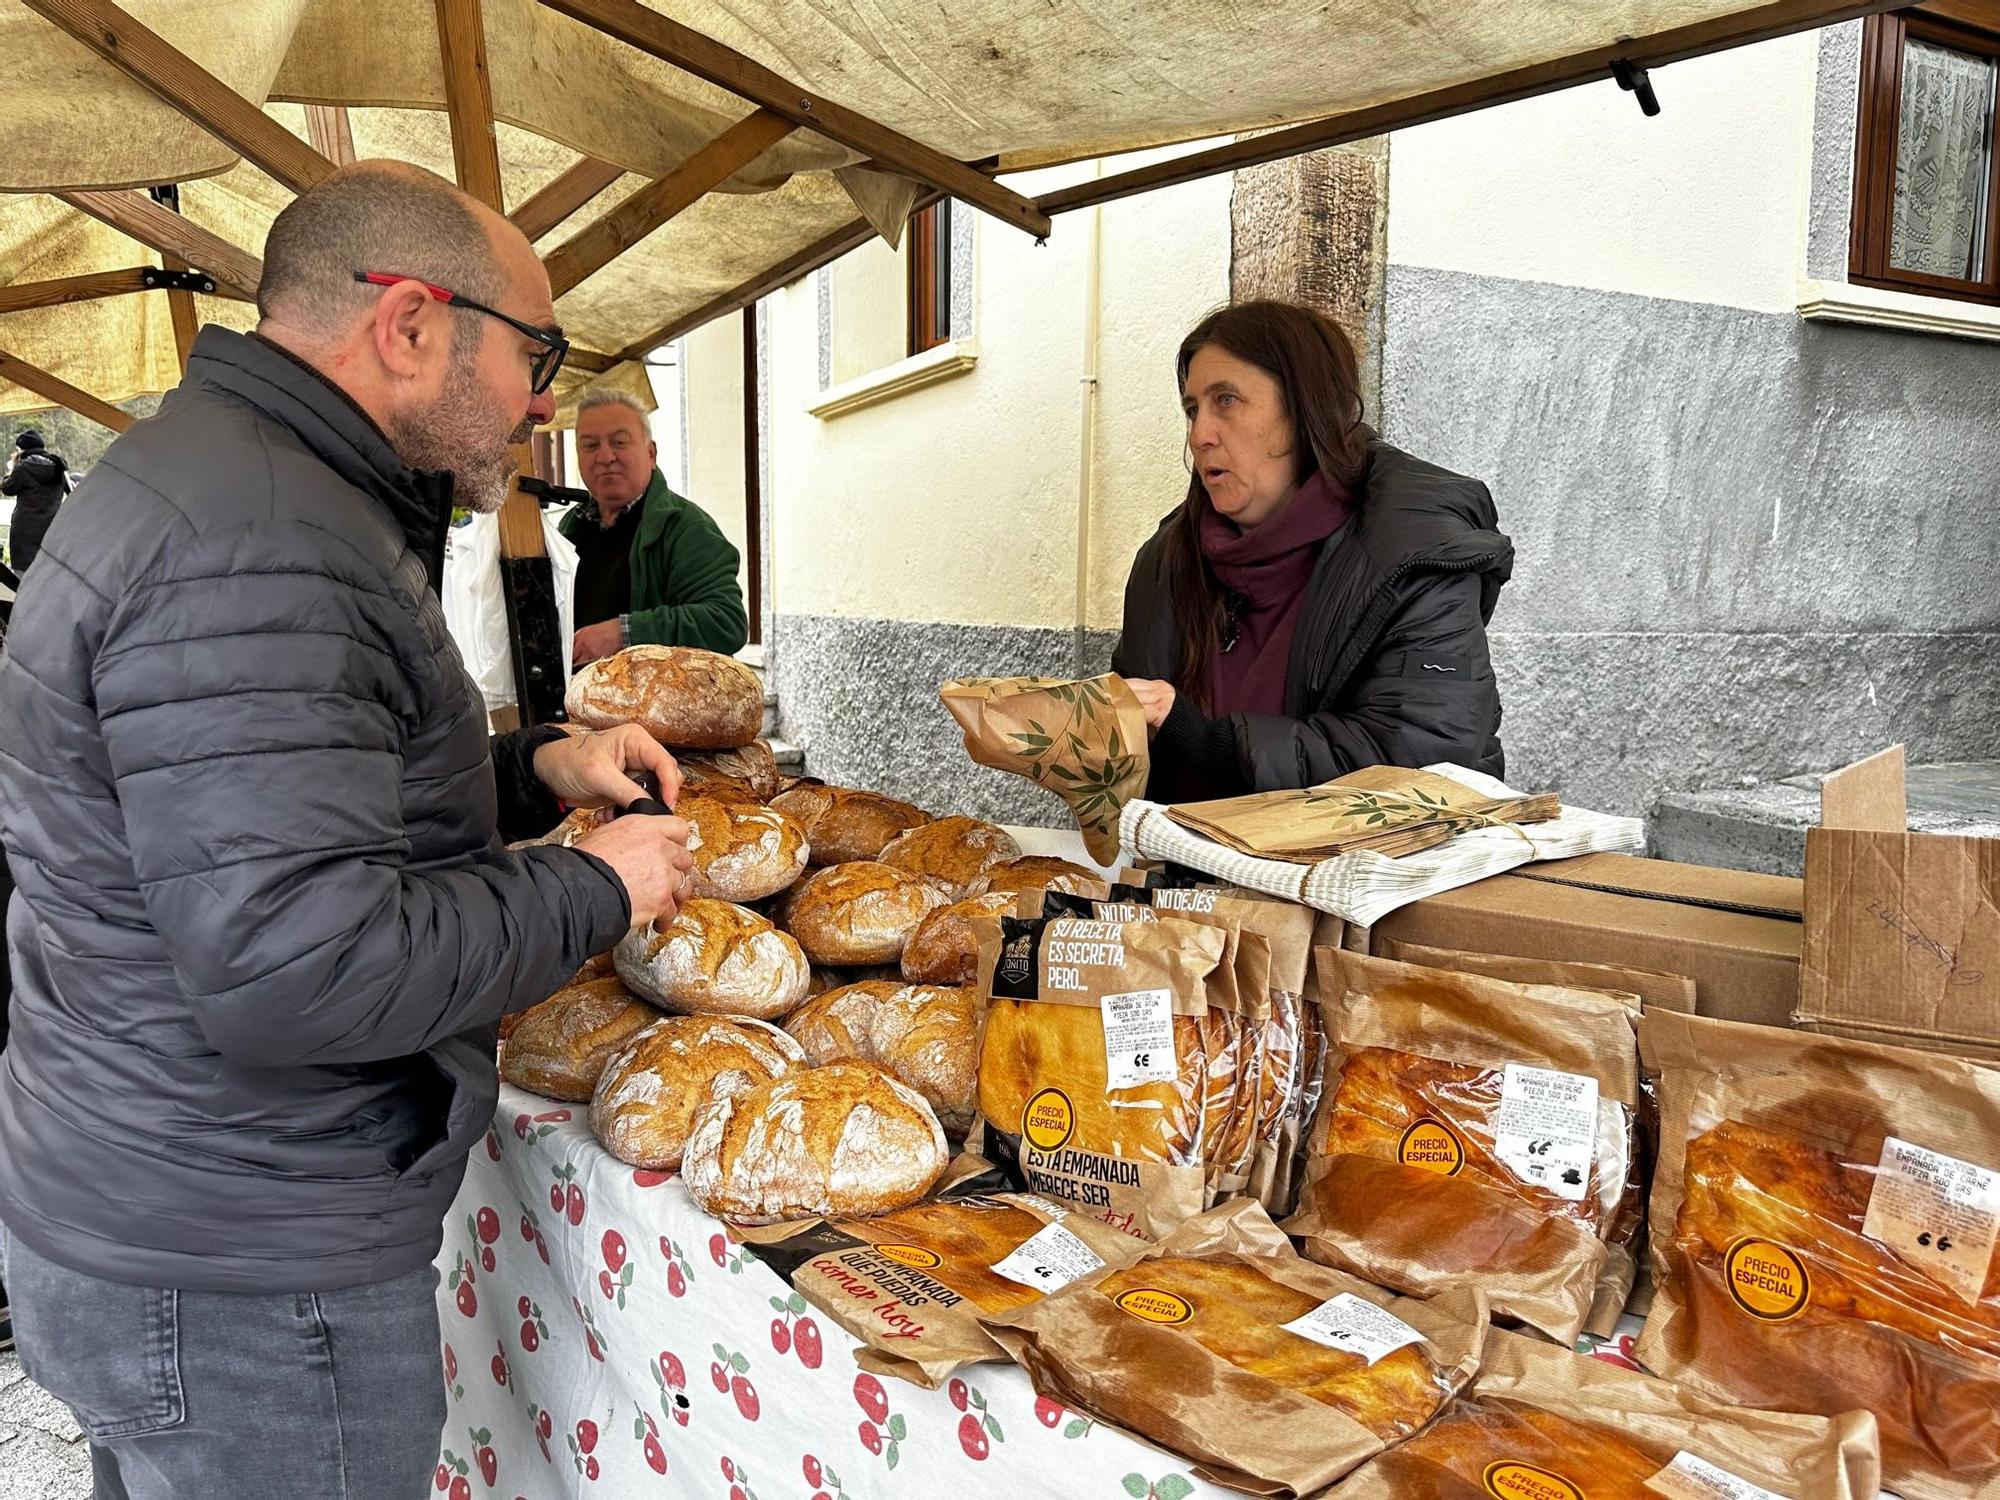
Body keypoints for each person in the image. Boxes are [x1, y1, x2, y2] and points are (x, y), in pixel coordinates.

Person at [0, 160, 698, 1499]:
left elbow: (278, 797)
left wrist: (535, 761)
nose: (547, 397)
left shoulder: (233, 482)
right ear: (412, 325)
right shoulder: (259, 538)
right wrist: (592, 890)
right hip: (243, 1273)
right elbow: (304, 967)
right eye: (536, 349)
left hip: (157, 1215)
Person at [1113, 300, 1513, 803]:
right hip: (1195, 873)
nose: (1200, 435)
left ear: (1306, 409)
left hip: (1370, 875)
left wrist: (1209, 743)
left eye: (1227, 401)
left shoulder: (1413, 558)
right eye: (1193, 410)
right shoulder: (1164, 564)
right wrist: (1076, 746)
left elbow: (1422, 762)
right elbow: (1137, 749)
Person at [563, 386, 748, 666]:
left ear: (651, 453)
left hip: (658, 707)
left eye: (619, 442)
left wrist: (624, 634)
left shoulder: (686, 528)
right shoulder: (570, 528)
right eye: (590, 445)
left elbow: (725, 622)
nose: (604, 456)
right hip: (580, 704)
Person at [1, 428, 70, 573]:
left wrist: (11, 471)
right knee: (45, 573)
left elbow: (7, 488)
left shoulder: (23, 467)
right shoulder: (58, 467)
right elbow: (71, 491)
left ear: (23, 449)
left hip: (24, 531)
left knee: (21, 576)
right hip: (51, 529)